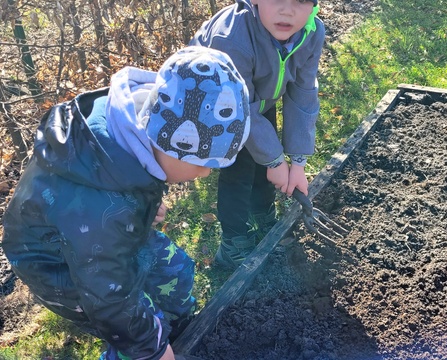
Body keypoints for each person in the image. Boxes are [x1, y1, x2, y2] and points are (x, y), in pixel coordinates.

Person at [1, 46, 250, 360]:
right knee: (132, 333)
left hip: (97, 237)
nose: (205, 173)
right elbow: (109, 299)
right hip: (60, 267)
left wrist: (143, 205)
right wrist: (153, 348)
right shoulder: (102, 211)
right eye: (203, 163)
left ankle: (179, 324)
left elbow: (130, 184)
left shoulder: (134, 127)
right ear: (170, 142)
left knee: (177, 270)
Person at [189, 0, 325, 269]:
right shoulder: (231, 38)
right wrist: (275, 162)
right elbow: (238, 107)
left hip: (258, 100)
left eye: (300, 1)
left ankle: (262, 212)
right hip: (213, 105)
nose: (287, 10)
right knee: (239, 167)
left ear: (314, 5)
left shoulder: (312, 32)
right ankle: (233, 243)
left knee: (265, 152)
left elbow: (303, 93)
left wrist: (296, 163)